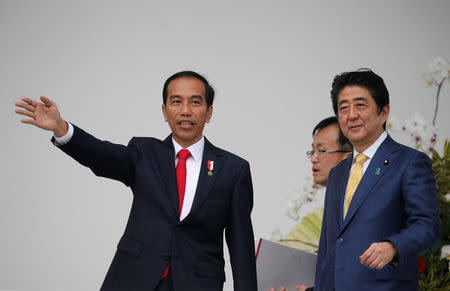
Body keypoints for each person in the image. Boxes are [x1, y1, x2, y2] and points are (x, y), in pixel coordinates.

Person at [14, 71, 257, 291]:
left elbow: (241, 248)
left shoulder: (233, 170)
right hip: (133, 278)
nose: (185, 110)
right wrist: (62, 128)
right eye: (176, 102)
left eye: (195, 102)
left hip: (198, 283)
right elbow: (101, 155)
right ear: (165, 111)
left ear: (209, 111)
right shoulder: (144, 153)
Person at [314, 69, 441, 290]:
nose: (351, 115)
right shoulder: (338, 173)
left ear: (384, 112)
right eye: (343, 108)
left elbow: (428, 224)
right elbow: (329, 247)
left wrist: (393, 246)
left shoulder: (410, 162)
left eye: (360, 105)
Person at [270, 116, 352, 291]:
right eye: (312, 151)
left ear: (347, 157)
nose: (313, 159)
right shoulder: (330, 204)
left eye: (321, 151)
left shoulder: (359, 206)